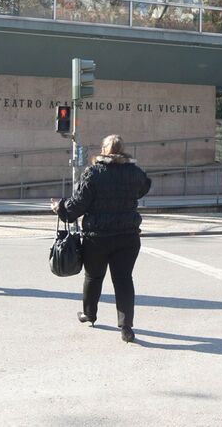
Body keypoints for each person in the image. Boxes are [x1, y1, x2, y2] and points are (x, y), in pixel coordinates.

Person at [51, 135, 151, 343]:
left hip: (97, 237)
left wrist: (59, 208)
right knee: (123, 280)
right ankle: (126, 327)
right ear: (123, 150)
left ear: (104, 150)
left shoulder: (94, 173)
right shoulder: (134, 172)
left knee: (93, 277)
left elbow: (77, 205)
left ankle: (90, 314)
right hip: (127, 236)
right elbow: (145, 186)